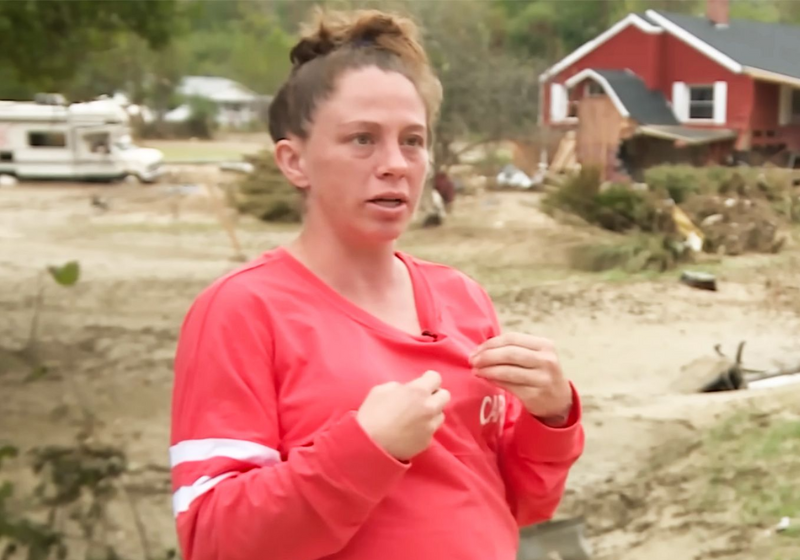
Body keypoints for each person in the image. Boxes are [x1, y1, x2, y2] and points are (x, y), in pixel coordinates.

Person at [169, 9, 584, 560]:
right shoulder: (242, 311)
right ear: (295, 162)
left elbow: (521, 504)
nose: (395, 164)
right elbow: (214, 541)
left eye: (412, 141)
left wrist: (551, 416)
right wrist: (365, 449)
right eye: (362, 140)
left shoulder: (464, 298)